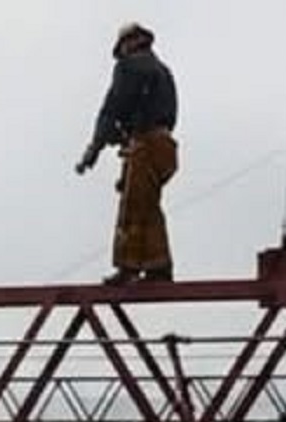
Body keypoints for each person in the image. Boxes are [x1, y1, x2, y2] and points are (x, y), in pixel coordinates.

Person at [75, 22, 179, 286]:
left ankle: (128, 268)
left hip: (145, 146)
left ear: (128, 43)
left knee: (132, 208)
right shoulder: (163, 71)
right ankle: (159, 268)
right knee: (148, 206)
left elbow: (112, 108)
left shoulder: (129, 67)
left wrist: (94, 148)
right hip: (165, 147)